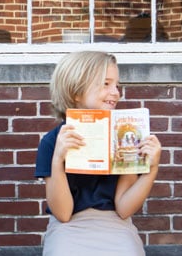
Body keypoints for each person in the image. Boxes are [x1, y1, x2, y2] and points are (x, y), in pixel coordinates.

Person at [35, 51, 163, 256]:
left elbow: (124, 208)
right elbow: (63, 213)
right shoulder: (52, 141)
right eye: (106, 84)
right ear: (76, 91)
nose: (116, 92)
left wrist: (152, 169)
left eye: (117, 85)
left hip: (115, 224)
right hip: (69, 227)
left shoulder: (123, 134)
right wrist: (58, 160)